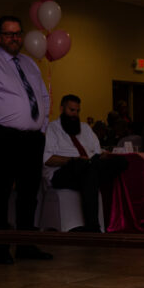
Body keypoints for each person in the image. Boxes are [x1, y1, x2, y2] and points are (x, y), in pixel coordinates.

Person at [0, 14, 52, 265]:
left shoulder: (30, 64)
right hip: (4, 137)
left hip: (32, 139)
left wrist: (42, 126)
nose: (14, 38)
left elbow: (43, 97)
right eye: (8, 34)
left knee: (29, 194)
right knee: (1, 193)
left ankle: (26, 244)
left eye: (17, 34)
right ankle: (1, 247)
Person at [43, 94, 127, 232]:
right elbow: (47, 159)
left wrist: (105, 157)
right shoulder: (52, 129)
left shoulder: (85, 128)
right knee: (88, 169)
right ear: (62, 109)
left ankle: (106, 220)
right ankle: (93, 227)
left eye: (77, 111)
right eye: (71, 110)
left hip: (87, 166)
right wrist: (72, 160)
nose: (75, 114)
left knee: (121, 162)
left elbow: (97, 151)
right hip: (62, 171)